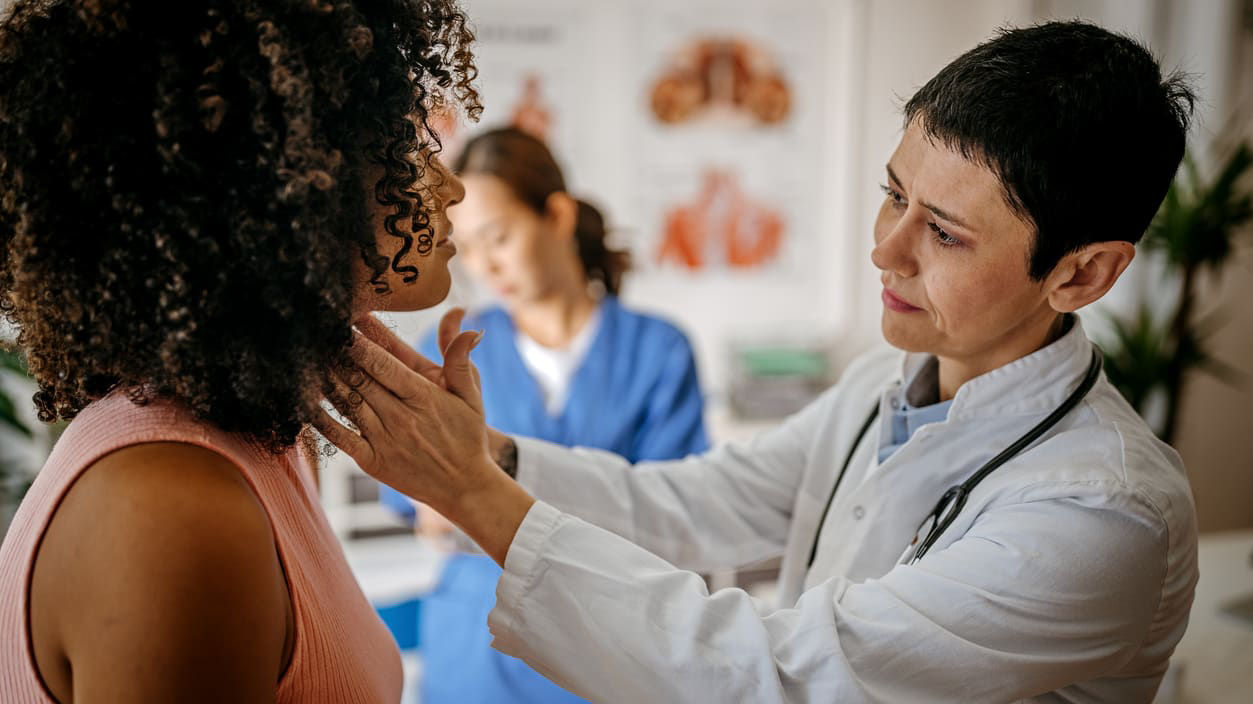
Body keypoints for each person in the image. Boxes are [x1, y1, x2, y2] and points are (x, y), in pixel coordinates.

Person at [321, 21, 1201, 703]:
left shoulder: (1101, 514)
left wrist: (476, 495)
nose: (885, 253)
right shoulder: (882, 385)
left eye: (942, 232)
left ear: (1081, 273)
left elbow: (781, 677)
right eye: (893, 195)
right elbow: (696, 503)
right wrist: (493, 459)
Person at [0, 1, 479, 701]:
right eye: (409, 151)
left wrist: (473, 481)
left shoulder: (254, 436)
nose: (450, 187)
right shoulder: (170, 508)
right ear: (286, 188)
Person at [380, 127, 709, 704]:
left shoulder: (657, 349)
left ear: (555, 216)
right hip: (474, 646)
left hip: (609, 643)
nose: (483, 266)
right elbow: (418, 504)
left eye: (500, 237)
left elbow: (673, 516)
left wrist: (478, 499)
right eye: (467, 246)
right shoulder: (452, 347)